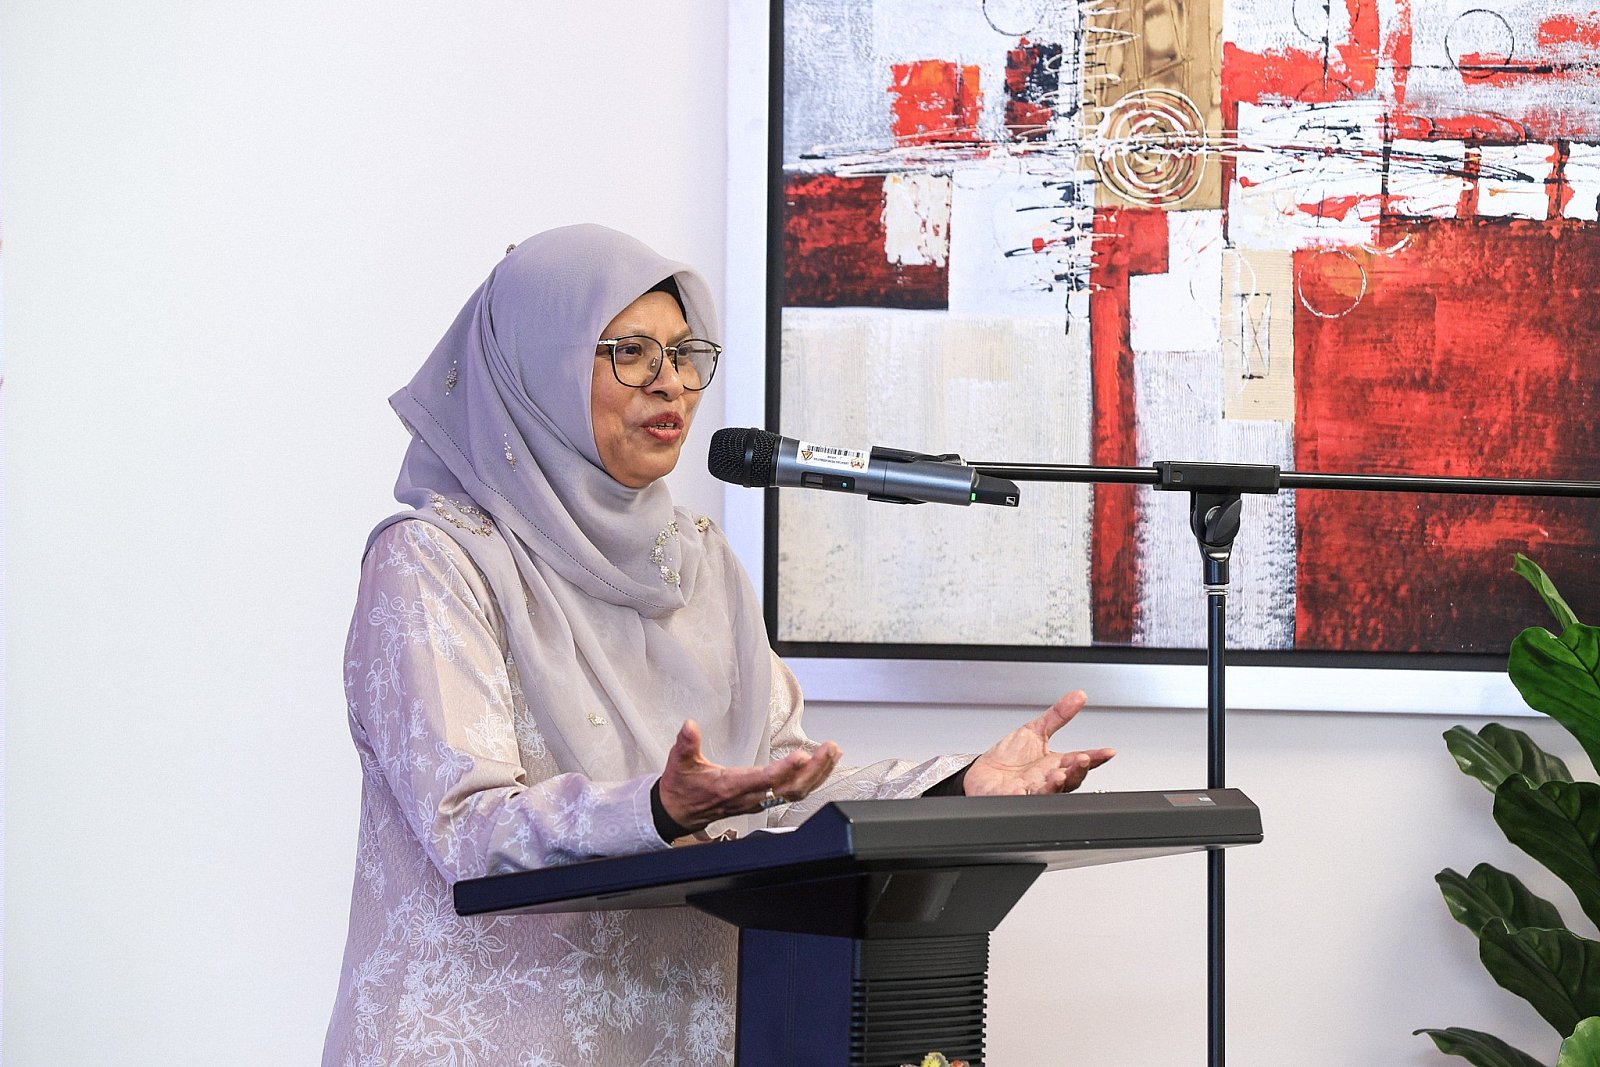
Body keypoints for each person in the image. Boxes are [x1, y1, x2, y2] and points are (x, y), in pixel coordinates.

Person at [322, 224, 1115, 1066]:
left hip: (675, 1036)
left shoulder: (696, 563)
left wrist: (955, 784)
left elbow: (782, 789)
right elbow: (467, 828)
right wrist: (657, 808)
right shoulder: (434, 562)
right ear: (536, 370)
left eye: (685, 353)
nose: (672, 382)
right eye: (631, 353)